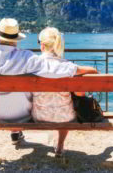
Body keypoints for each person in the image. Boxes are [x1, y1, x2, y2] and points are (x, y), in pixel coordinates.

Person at [0, 18, 94, 146]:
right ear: (16, 39)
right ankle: (17, 131)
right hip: (22, 116)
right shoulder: (26, 57)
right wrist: (80, 69)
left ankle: (15, 133)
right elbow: (54, 69)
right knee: (21, 99)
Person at [32, 27, 98, 157]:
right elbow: (94, 71)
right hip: (65, 118)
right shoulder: (68, 67)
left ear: (42, 45)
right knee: (66, 106)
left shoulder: (32, 64)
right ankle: (60, 145)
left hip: (38, 117)